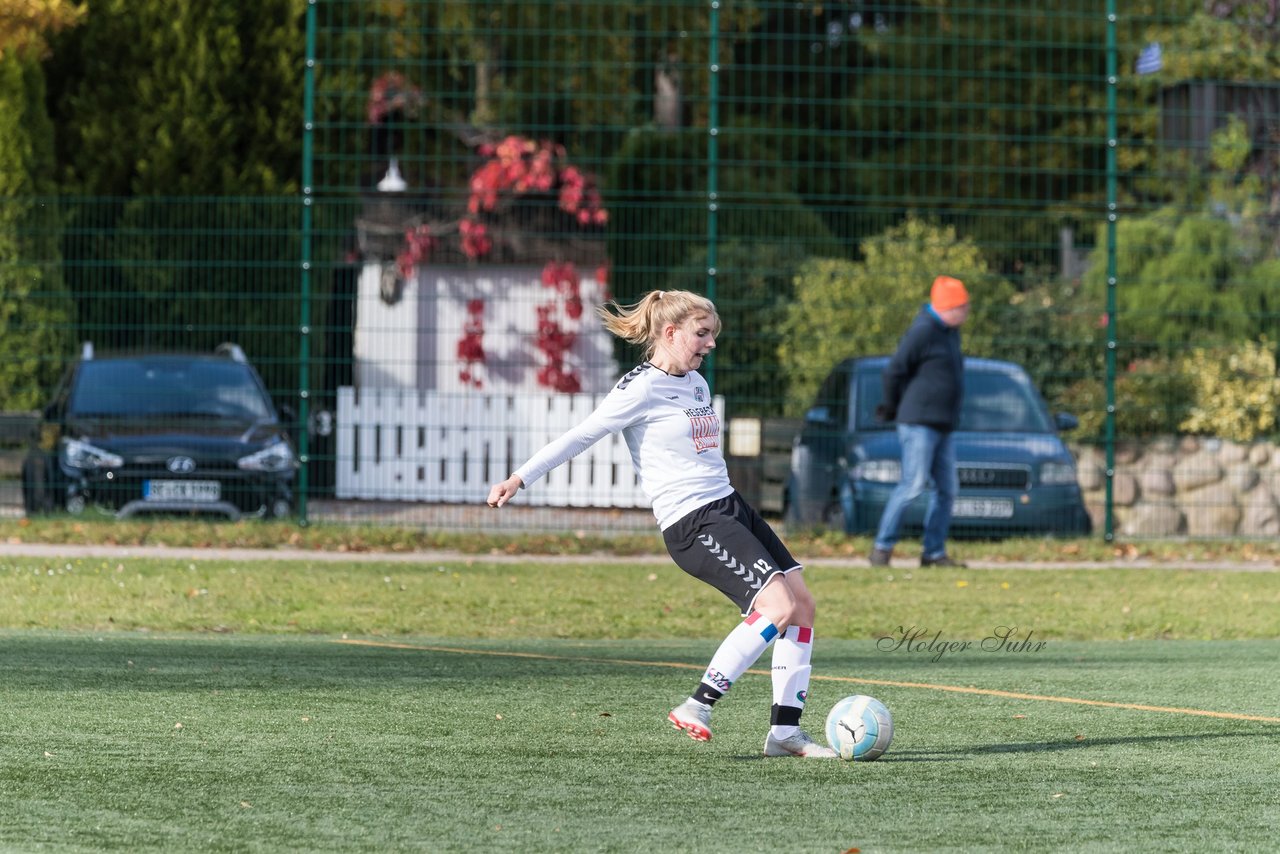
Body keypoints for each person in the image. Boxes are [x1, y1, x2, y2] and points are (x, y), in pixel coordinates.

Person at [486, 290, 836, 758]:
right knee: (777, 606)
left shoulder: (695, 382)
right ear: (669, 333)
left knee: (803, 605)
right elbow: (580, 435)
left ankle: (785, 733)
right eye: (702, 333)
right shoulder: (639, 388)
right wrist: (519, 478)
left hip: (729, 506)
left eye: (713, 333)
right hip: (693, 521)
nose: (710, 343)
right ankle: (698, 705)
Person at [869, 275, 970, 569]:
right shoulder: (923, 331)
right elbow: (894, 371)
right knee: (912, 485)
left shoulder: (949, 332)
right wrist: (892, 406)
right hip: (919, 423)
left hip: (943, 425)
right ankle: (882, 548)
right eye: (963, 307)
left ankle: (933, 553)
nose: (966, 313)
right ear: (948, 308)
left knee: (947, 489)